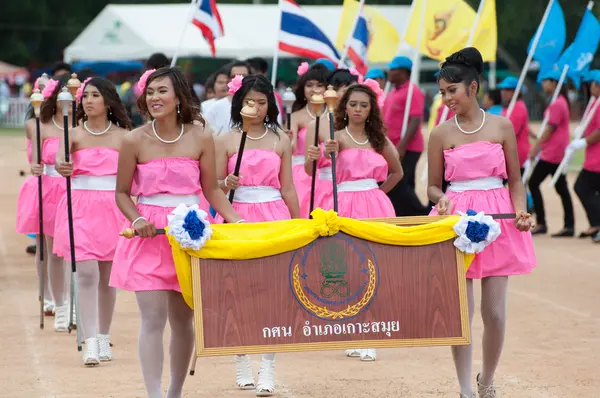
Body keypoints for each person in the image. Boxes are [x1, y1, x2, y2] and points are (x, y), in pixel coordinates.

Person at [109, 67, 243, 398]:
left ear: (179, 96)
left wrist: (235, 220)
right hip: (148, 235)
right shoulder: (134, 139)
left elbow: (211, 189)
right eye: (150, 92)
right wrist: (137, 220)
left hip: (191, 234)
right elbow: (122, 193)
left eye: (161, 91)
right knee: (152, 320)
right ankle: (154, 394)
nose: (154, 98)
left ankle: (174, 392)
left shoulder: (200, 137)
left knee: (183, 323)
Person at [428, 47, 536, 398]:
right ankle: (464, 389)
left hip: (497, 220)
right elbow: (432, 185)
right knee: (462, 313)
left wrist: (520, 210)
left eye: (452, 92)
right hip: (455, 222)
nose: (446, 99)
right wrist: (439, 198)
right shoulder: (440, 134)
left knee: (495, 314)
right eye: (442, 92)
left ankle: (486, 380)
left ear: (473, 88)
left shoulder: (502, 126)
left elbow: (516, 182)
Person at [214, 74, 300, 396]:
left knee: (271, 291)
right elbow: (214, 184)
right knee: (238, 291)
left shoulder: (280, 140)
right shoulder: (225, 139)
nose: (257, 107)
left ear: (270, 105)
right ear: (239, 102)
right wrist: (226, 184)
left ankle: (268, 364)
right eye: (251, 101)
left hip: (274, 215)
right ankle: (240, 357)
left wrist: (299, 223)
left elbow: (287, 186)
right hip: (238, 216)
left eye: (262, 102)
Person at [53, 77, 132, 366]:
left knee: (107, 276)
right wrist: (62, 163)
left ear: (108, 100)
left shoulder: (124, 136)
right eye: (85, 95)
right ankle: (88, 341)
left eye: (95, 95)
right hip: (80, 205)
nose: (88, 100)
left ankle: (102, 334)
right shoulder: (72, 134)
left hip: (112, 207)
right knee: (86, 273)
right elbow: (60, 158)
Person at [325, 82, 403, 362]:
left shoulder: (379, 138)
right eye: (353, 104)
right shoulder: (337, 137)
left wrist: (377, 194)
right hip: (343, 203)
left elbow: (397, 172)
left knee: (373, 267)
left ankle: (371, 334)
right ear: (344, 107)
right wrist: (326, 154)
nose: (358, 109)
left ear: (371, 110)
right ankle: (354, 331)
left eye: (364, 105)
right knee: (347, 270)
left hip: (373, 204)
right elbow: (319, 172)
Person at [16, 77, 70, 330]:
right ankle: (51, 297)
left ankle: (70, 300)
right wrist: (36, 167)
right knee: (49, 247)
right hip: (49, 188)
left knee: (72, 250)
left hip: (73, 189)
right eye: (61, 97)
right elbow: (36, 161)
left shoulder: (79, 125)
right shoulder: (40, 126)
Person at [303, 68, 359, 217]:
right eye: (346, 90)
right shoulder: (316, 125)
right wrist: (313, 157)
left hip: (357, 194)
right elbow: (309, 170)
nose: (352, 96)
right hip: (327, 190)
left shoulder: (361, 125)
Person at [527, 69, 575, 237]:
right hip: (556, 150)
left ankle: (542, 223)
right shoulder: (560, 101)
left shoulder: (557, 103)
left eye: (546, 80)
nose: (543, 84)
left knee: (533, 183)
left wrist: (535, 148)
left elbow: (549, 129)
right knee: (561, 187)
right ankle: (569, 225)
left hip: (553, 152)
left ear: (554, 83)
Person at [383, 56, 428, 217]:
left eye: (393, 69)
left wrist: (402, 146)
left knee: (401, 184)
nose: (389, 72)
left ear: (403, 72)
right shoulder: (392, 91)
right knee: (402, 184)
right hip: (392, 146)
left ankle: (422, 214)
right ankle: (405, 216)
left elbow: (415, 119)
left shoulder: (412, 91)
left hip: (408, 147)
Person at [289, 63, 330, 217]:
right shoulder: (295, 116)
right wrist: (289, 140)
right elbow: (291, 147)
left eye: (320, 85)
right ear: (303, 88)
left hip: (329, 174)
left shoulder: (334, 116)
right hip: (301, 174)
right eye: (309, 85)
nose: (315, 89)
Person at [566, 70, 600, 241]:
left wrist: (583, 142)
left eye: (592, 84)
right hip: (593, 157)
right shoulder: (594, 103)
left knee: (582, 187)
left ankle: (596, 223)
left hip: (597, 160)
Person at [205, 61, 251, 135]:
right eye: (234, 76)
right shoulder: (216, 108)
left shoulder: (261, 105)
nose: (239, 79)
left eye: (244, 76)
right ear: (229, 80)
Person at [498, 77, 530, 174]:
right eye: (502, 89)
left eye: (508, 90)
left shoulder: (517, 107)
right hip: (510, 152)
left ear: (516, 92)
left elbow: (511, 132)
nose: (503, 92)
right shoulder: (509, 106)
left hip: (516, 153)